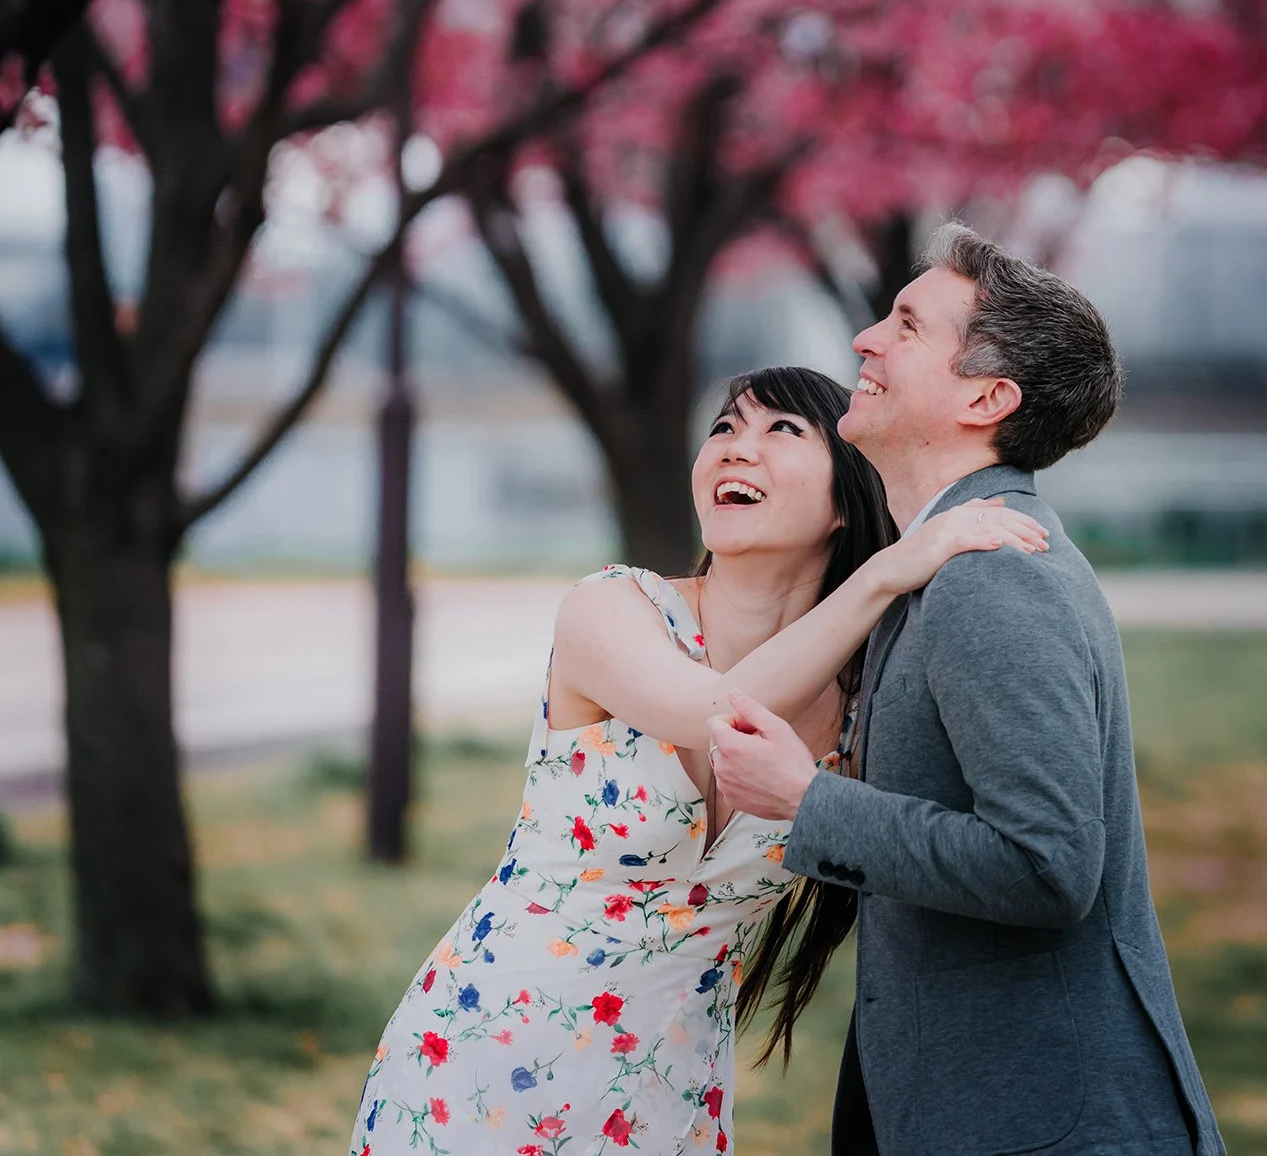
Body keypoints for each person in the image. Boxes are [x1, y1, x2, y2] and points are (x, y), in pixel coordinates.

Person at [348, 363, 1047, 1156]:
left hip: (660, 1099)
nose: (733, 448)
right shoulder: (612, 607)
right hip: (477, 1056)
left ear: (844, 500)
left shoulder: (863, 711)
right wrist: (890, 572)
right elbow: (722, 717)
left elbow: (952, 843)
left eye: (780, 429)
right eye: (723, 427)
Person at [708, 225, 1225, 1156]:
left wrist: (805, 800)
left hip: (1047, 1127)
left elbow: (1047, 864)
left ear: (987, 397)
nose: (864, 339)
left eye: (905, 325)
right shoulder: (941, 563)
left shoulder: (995, 574)